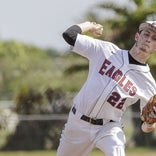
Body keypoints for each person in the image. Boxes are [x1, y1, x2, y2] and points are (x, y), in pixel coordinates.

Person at [57, 21, 156, 156]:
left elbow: (145, 125)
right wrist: (90, 25)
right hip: (77, 123)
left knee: (116, 150)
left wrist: (150, 123)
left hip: (108, 127)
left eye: (154, 38)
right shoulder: (106, 50)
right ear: (137, 36)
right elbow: (69, 35)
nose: (148, 40)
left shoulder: (148, 84)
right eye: (146, 34)